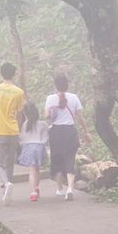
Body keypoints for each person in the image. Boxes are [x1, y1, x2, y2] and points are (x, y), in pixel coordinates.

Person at [44, 73, 91, 201]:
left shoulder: (50, 98)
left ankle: (60, 189)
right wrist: (86, 131)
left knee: (57, 159)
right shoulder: (74, 97)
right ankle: (70, 188)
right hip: (70, 132)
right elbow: (80, 117)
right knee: (70, 159)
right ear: (67, 84)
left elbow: (46, 115)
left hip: (56, 132)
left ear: (55, 85)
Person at [0, 62, 24, 206]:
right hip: (13, 131)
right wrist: (18, 128)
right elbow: (19, 114)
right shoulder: (19, 92)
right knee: (9, 163)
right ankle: (6, 194)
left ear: (1, 74)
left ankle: (6, 184)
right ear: (14, 74)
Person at [17, 101, 49, 201]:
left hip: (28, 147)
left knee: (31, 171)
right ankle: (37, 187)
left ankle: (33, 193)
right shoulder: (42, 124)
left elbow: (20, 138)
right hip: (39, 147)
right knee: (37, 169)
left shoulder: (23, 125)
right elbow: (48, 133)